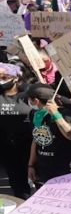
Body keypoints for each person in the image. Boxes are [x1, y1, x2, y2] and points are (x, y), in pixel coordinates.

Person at [0, 63, 33, 199]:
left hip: (30, 146)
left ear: (16, 78)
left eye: (5, 77)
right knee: (17, 183)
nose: (1, 80)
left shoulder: (29, 94)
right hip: (6, 148)